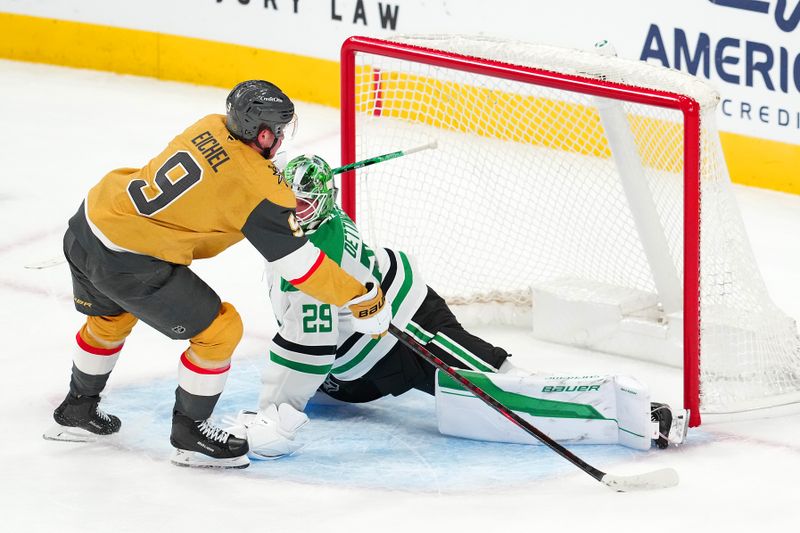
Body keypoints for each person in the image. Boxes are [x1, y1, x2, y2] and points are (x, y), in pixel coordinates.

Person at [231, 155, 689, 459]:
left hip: (408, 331)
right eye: (285, 197)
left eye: (302, 201)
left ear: (321, 204)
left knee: (494, 390)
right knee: (338, 380)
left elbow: (309, 348)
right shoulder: (316, 222)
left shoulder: (311, 262)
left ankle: (636, 414)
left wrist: (276, 413)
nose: (291, 207)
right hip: (366, 351)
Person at [43, 81, 390, 469]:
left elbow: (224, 179)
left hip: (89, 223)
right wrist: (358, 295)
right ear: (262, 134)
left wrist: (266, 188)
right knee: (220, 331)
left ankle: (78, 410)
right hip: (128, 260)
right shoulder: (258, 190)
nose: (280, 138)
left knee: (110, 319)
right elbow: (300, 264)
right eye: (278, 130)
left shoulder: (208, 124)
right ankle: (191, 435)